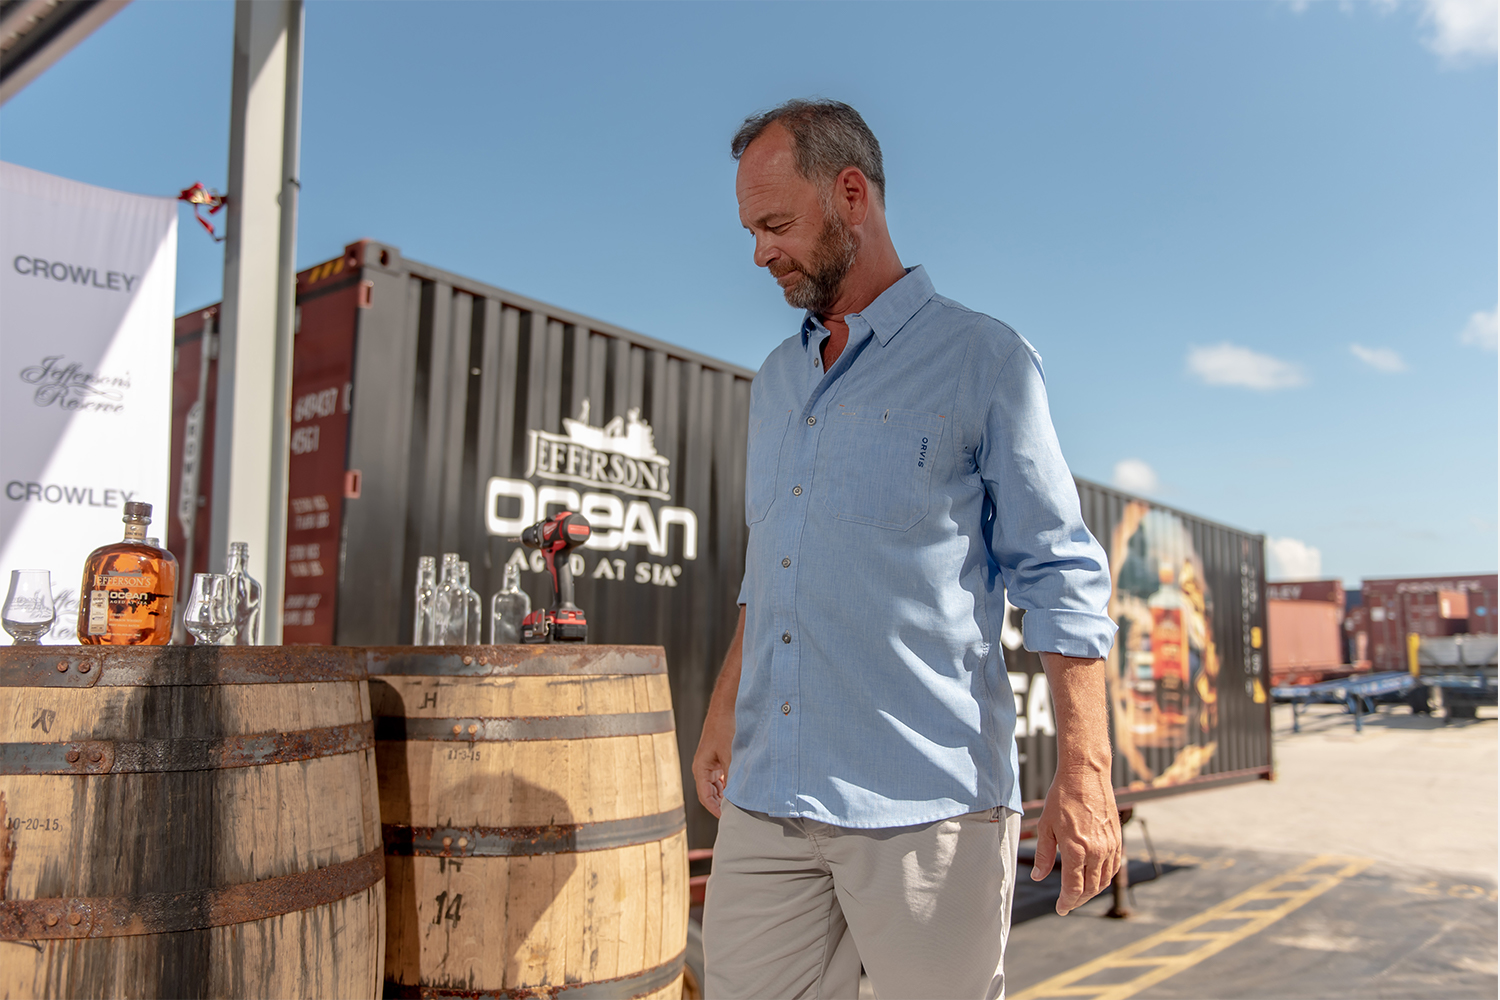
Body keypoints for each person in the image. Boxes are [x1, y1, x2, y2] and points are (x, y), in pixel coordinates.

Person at [692, 98, 1123, 1000]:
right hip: (768, 800)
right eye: (751, 231)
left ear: (851, 195)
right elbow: (770, 568)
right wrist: (726, 705)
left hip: (927, 809)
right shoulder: (776, 382)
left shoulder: (984, 360)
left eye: (776, 225)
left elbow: (1060, 574)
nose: (760, 253)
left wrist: (1085, 772)